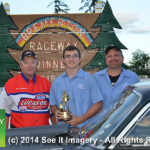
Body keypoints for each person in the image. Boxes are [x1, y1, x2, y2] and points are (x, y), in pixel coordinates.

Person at [50, 46, 103, 128]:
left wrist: (80, 120)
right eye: (68, 56)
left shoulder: (89, 79)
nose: (71, 59)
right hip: (63, 130)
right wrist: (56, 111)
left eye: (75, 56)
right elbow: (53, 105)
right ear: (63, 60)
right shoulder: (56, 82)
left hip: (85, 129)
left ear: (80, 59)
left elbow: (98, 105)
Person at [0, 50, 55, 129]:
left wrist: (58, 134)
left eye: (33, 62)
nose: (30, 66)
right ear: (20, 65)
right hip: (19, 136)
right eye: (26, 63)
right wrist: (2, 139)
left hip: (43, 135)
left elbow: (52, 111)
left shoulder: (46, 84)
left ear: (36, 64)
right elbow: (2, 112)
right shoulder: (10, 84)